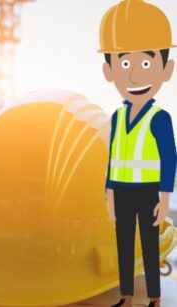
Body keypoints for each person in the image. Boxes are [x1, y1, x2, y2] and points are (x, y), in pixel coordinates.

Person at [98, 1, 177, 307]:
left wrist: (165, 198)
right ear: (109, 71)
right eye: (124, 65)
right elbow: (113, 155)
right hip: (121, 190)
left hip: (148, 192)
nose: (132, 76)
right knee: (123, 247)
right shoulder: (117, 117)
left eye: (145, 64)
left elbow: (170, 159)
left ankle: (154, 299)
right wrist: (109, 192)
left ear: (166, 69)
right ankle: (127, 297)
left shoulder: (159, 117)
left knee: (149, 246)